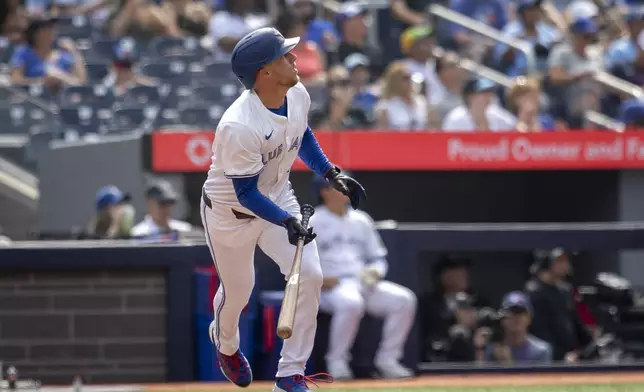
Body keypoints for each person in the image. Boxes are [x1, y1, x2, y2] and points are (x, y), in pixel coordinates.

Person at [201, 27, 366, 392]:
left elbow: (301, 133)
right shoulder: (238, 125)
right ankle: (226, 344)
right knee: (239, 291)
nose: (294, 59)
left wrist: (329, 172)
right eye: (284, 56)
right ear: (265, 72)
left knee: (310, 275)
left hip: (277, 196)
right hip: (233, 214)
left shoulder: (297, 93)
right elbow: (245, 193)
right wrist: (286, 220)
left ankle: (290, 374)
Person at [310, 171, 416, 380]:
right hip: (330, 287)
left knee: (404, 300)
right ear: (324, 191)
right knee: (351, 303)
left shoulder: (361, 220)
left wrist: (375, 272)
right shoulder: (314, 220)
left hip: (361, 282)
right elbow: (301, 260)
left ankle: (388, 360)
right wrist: (319, 278)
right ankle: (337, 362)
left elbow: (378, 257)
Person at [525, 248, 593, 362]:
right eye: (560, 261)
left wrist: (591, 342)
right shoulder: (535, 292)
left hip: (573, 356)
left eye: (566, 261)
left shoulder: (565, 290)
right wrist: (560, 356)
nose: (565, 265)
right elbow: (539, 331)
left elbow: (575, 323)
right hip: (549, 358)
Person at [10, 16, 87, 90]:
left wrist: (73, 51)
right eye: (44, 29)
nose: (50, 32)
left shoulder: (63, 55)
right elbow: (16, 80)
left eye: (51, 28)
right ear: (34, 33)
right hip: (33, 99)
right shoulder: (24, 52)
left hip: (61, 99)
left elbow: (81, 81)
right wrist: (43, 81)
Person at [483, 291, 552, 364]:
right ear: (502, 318)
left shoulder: (541, 351)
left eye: (521, 312)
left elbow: (539, 375)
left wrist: (507, 363)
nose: (516, 317)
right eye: (511, 312)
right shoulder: (492, 348)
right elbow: (479, 374)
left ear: (529, 318)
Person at [441, 78, 516, 132]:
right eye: (484, 93)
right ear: (470, 97)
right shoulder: (455, 118)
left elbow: (514, 127)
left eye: (490, 93)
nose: (488, 97)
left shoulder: (498, 115)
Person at [375, 61, 430, 130]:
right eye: (405, 78)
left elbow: (428, 128)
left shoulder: (421, 102)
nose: (409, 81)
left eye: (410, 77)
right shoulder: (385, 106)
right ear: (395, 82)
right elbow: (382, 133)